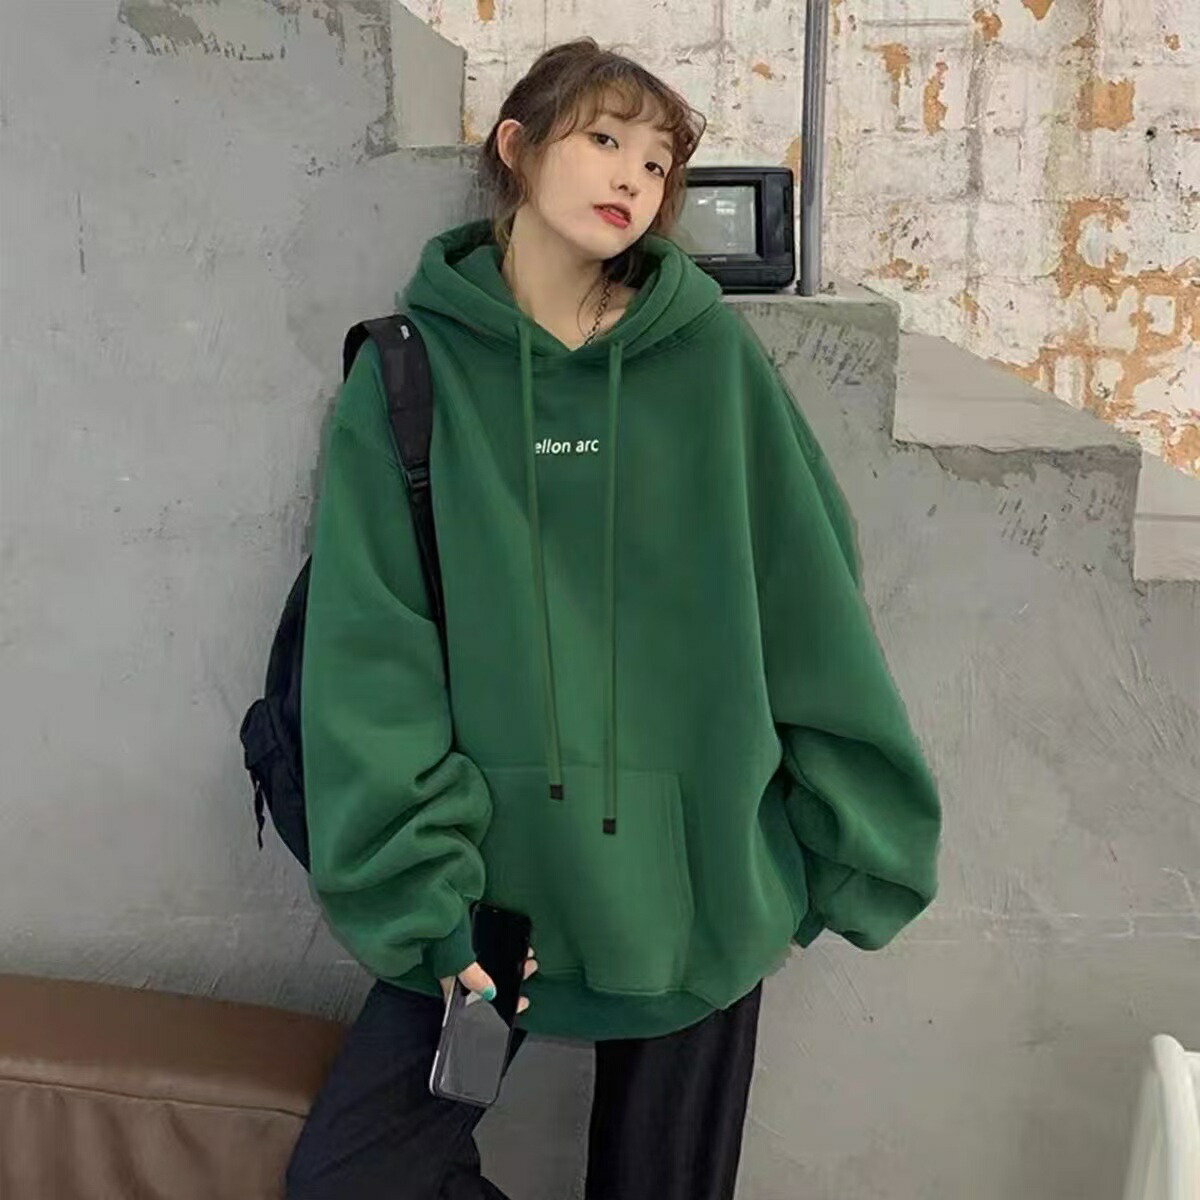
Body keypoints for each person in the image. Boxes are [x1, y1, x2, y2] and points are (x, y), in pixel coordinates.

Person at [285, 36, 941, 1200]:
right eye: (603, 137)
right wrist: (427, 906)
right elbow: (372, 654)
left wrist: (835, 851)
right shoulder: (408, 374)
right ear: (515, 146)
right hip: (485, 891)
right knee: (351, 1181)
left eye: (657, 162)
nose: (633, 177)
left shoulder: (708, 363)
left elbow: (808, 603)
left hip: (702, 880)